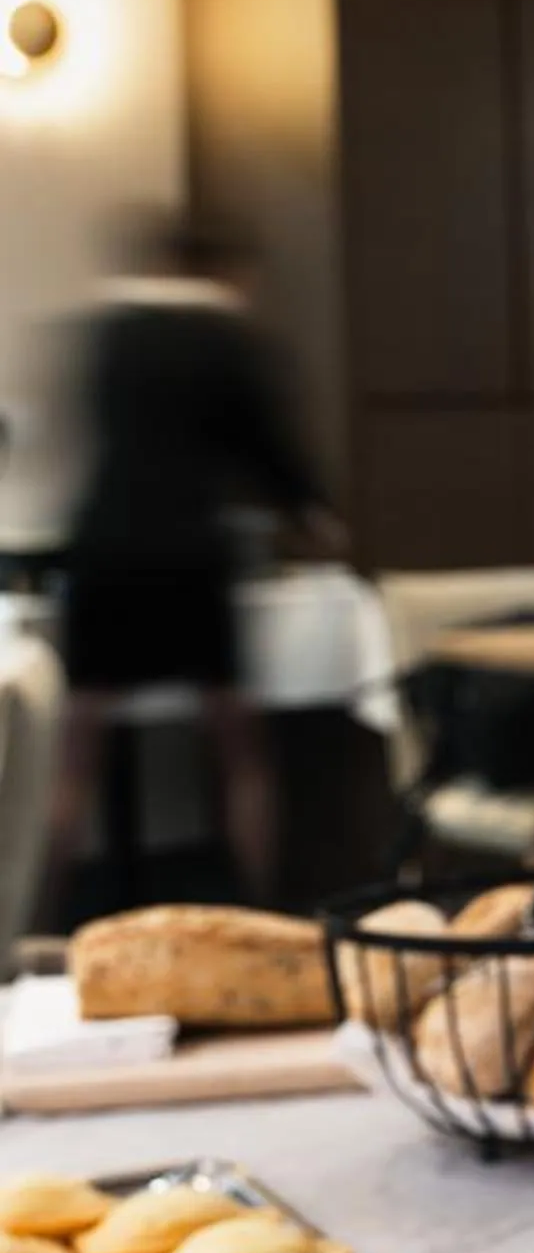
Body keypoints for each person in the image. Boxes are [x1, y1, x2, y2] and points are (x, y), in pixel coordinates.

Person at [46, 208, 335, 908]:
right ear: (220, 270)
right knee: (240, 748)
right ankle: (260, 903)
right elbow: (268, 450)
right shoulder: (226, 340)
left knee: (74, 749)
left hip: (104, 548)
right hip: (189, 553)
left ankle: (39, 908)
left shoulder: (107, 334)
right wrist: (314, 514)